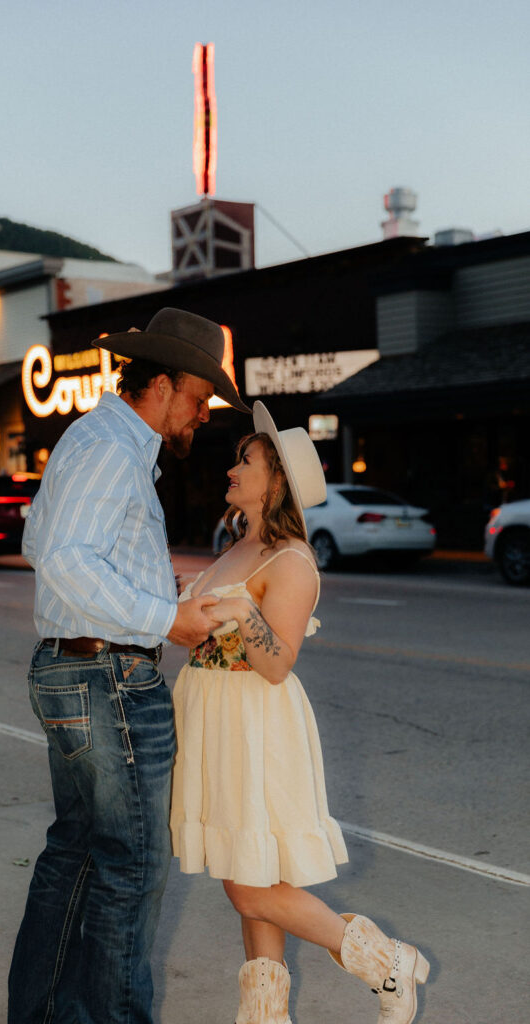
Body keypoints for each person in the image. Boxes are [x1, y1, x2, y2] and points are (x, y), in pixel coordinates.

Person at [8, 307, 251, 1024]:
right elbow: (61, 559)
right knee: (131, 867)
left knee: (77, 856)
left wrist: (154, 597)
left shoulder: (92, 438)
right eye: (200, 398)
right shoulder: (115, 448)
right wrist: (163, 618)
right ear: (166, 383)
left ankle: (44, 1014)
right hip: (107, 680)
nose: (202, 416)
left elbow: (37, 542)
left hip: (76, 671)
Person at [170, 401, 430, 1024]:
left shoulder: (289, 560)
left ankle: (386, 962)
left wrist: (238, 614)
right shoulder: (238, 546)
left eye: (246, 460)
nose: (232, 469)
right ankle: (265, 1017)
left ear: (278, 482)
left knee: (246, 881)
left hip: (253, 726)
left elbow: (278, 662)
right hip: (212, 719)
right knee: (251, 875)